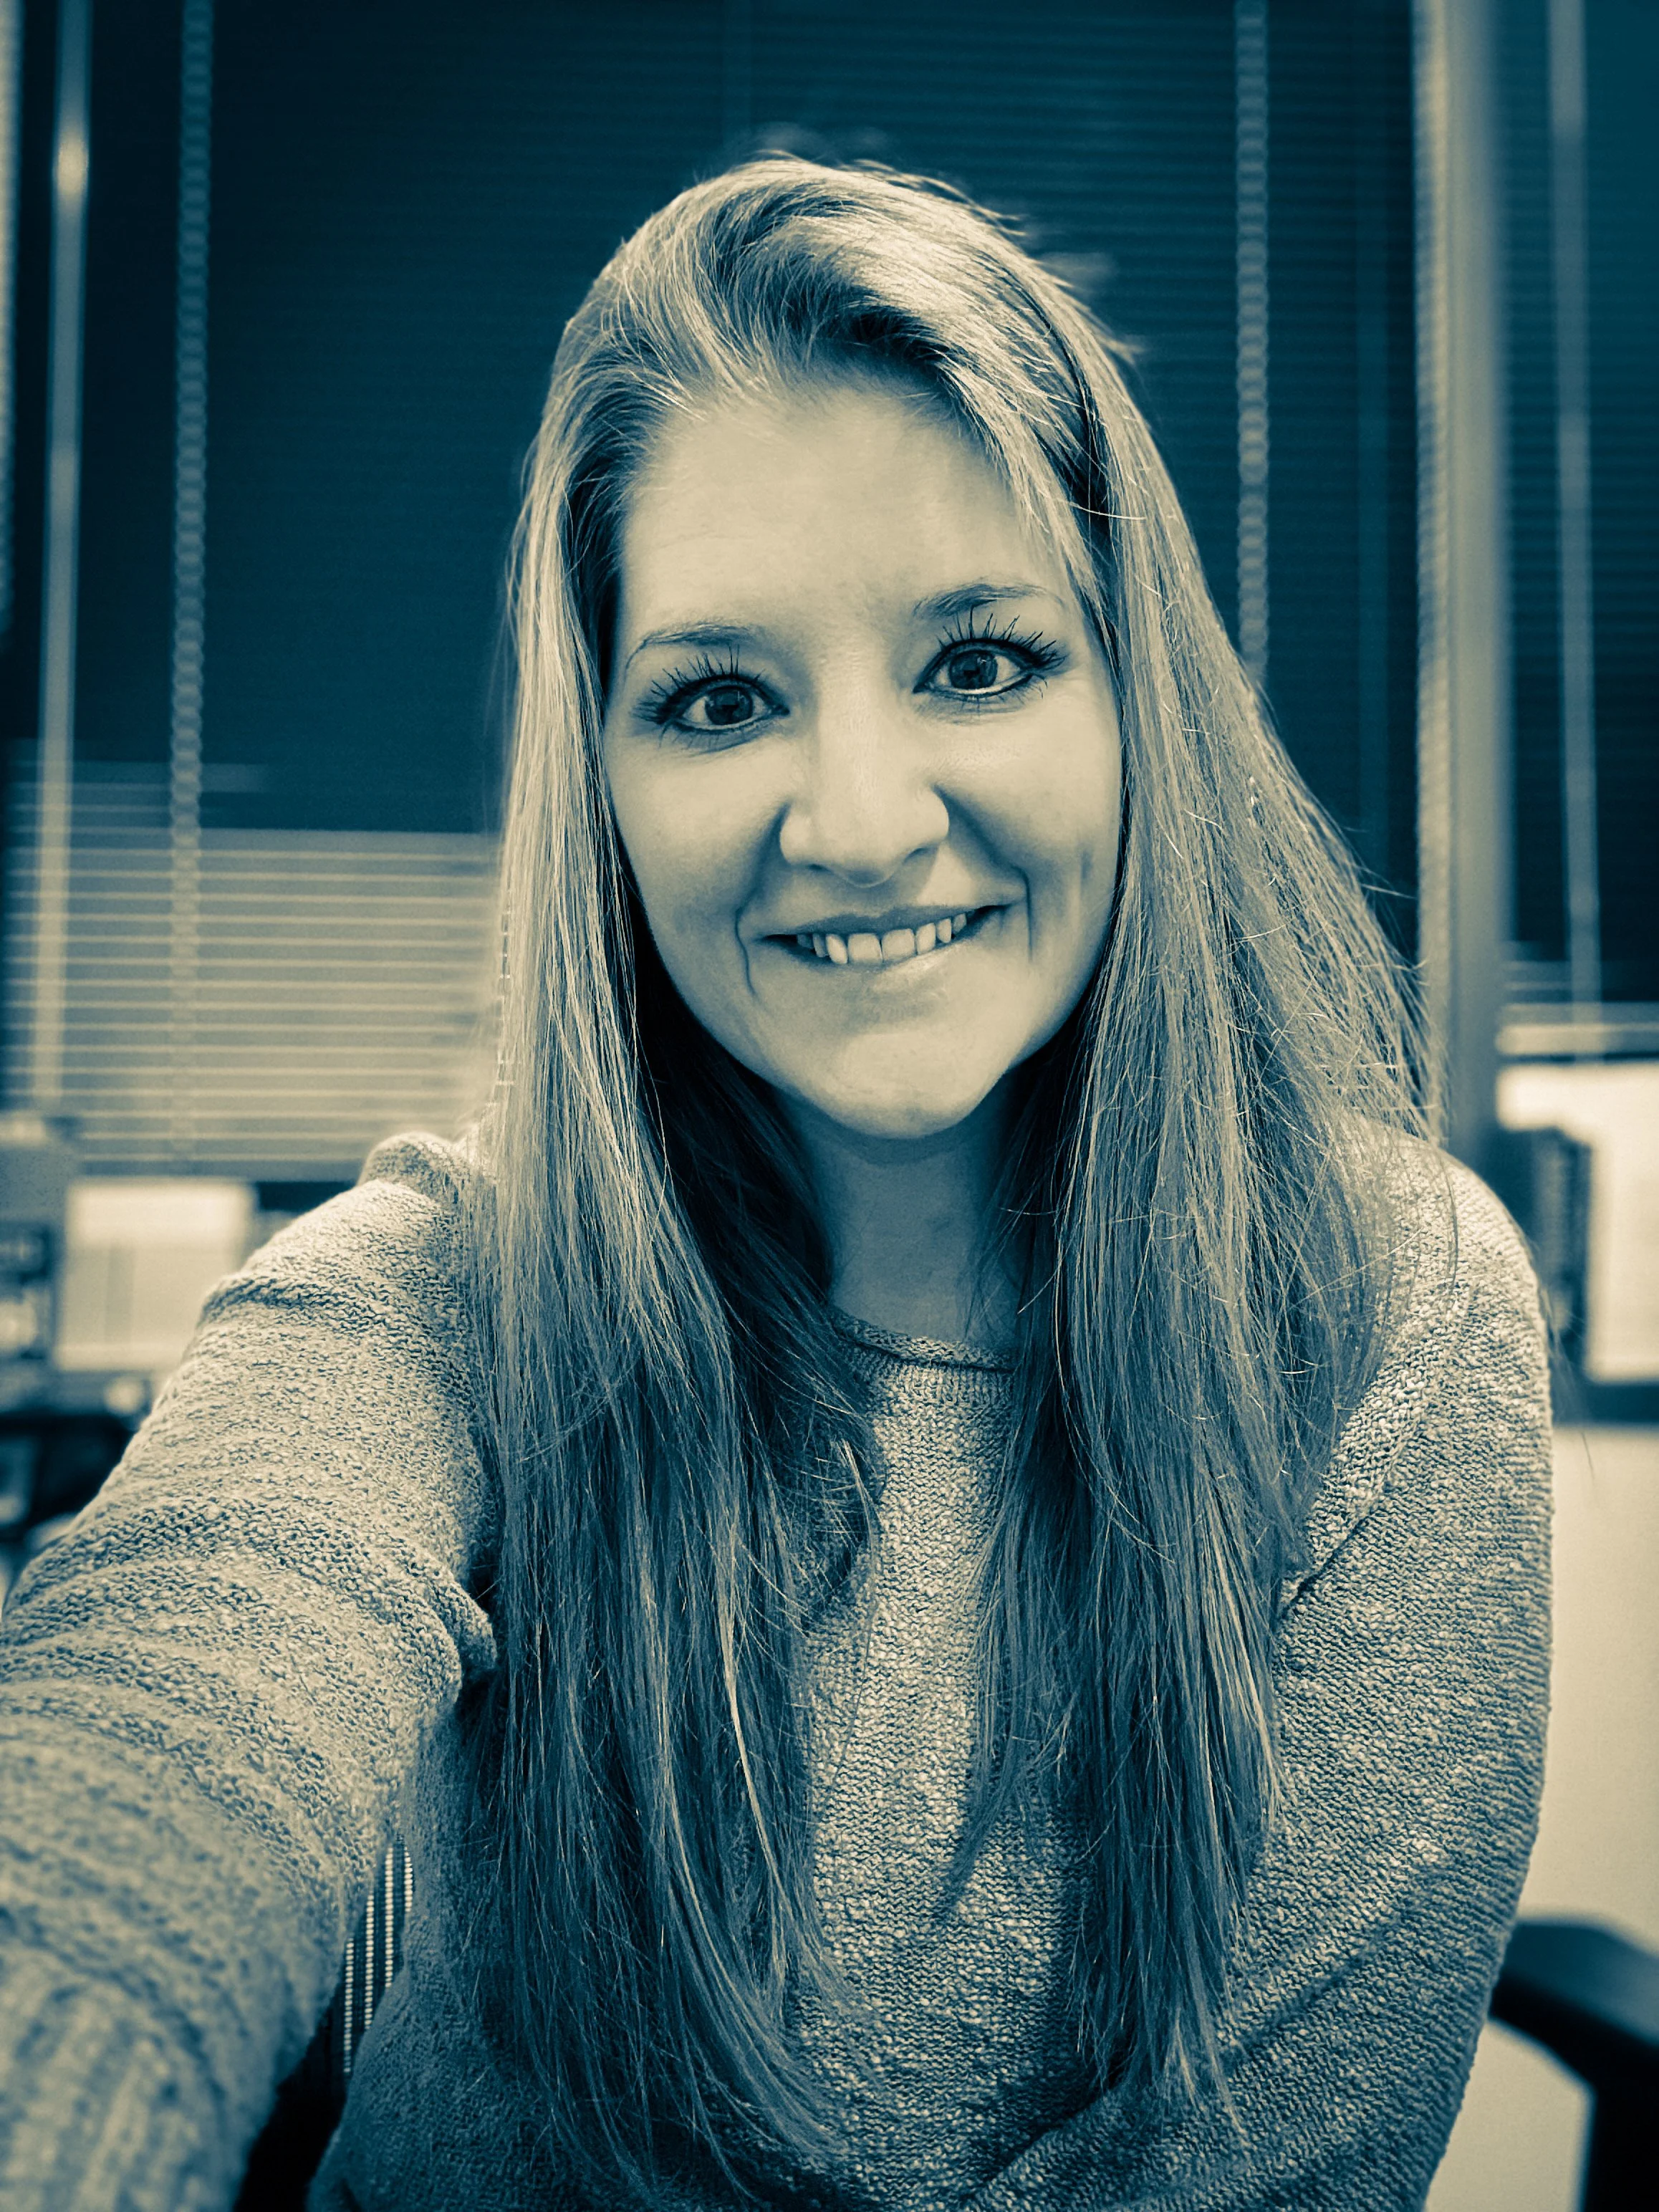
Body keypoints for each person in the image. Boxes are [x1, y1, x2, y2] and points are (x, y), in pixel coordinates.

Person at [0, 158, 1550, 2212]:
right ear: (609, 781)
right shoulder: (439, 1295)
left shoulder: (1389, 1303)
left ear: (1130, 698)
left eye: (978, 662)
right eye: (721, 699)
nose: (856, 819)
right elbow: (150, 1740)